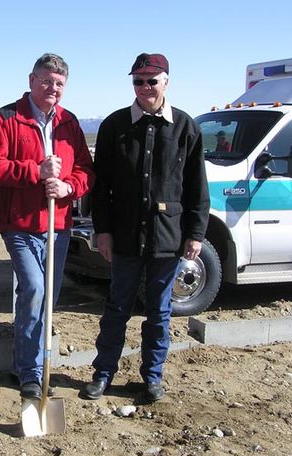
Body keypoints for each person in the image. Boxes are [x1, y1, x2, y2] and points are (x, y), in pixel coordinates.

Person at [81, 53, 210, 402]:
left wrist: (195, 234)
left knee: (159, 312)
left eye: (152, 80)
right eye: (138, 81)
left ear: (166, 82)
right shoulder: (114, 126)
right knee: (116, 308)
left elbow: (197, 186)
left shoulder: (185, 127)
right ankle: (103, 373)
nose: (145, 87)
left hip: (166, 239)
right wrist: (102, 230)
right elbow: (101, 187)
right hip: (123, 237)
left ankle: (152, 378)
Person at [0, 53, 94, 400]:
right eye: (46, 81)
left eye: (58, 83)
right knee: (34, 290)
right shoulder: (8, 118)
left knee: (47, 299)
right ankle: (30, 374)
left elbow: (86, 171)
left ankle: (31, 362)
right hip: (20, 225)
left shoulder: (69, 124)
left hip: (57, 226)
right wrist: (36, 172)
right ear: (31, 81)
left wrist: (68, 187)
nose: (52, 88)